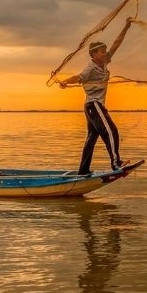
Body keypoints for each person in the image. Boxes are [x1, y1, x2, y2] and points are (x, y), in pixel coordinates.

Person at [60, 18, 133, 175]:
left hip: (91, 107)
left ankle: (83, 170)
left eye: (105, 51)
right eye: (101, 51)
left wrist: (126, 27)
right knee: (111, 131)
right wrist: (65, 81)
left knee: (92, 137)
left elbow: (116, 44)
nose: (105, 53)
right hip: (94, 105)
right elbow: (79, 77)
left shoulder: (104, 62)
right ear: (93, 54)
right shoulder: (90, 68)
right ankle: (116, 163)